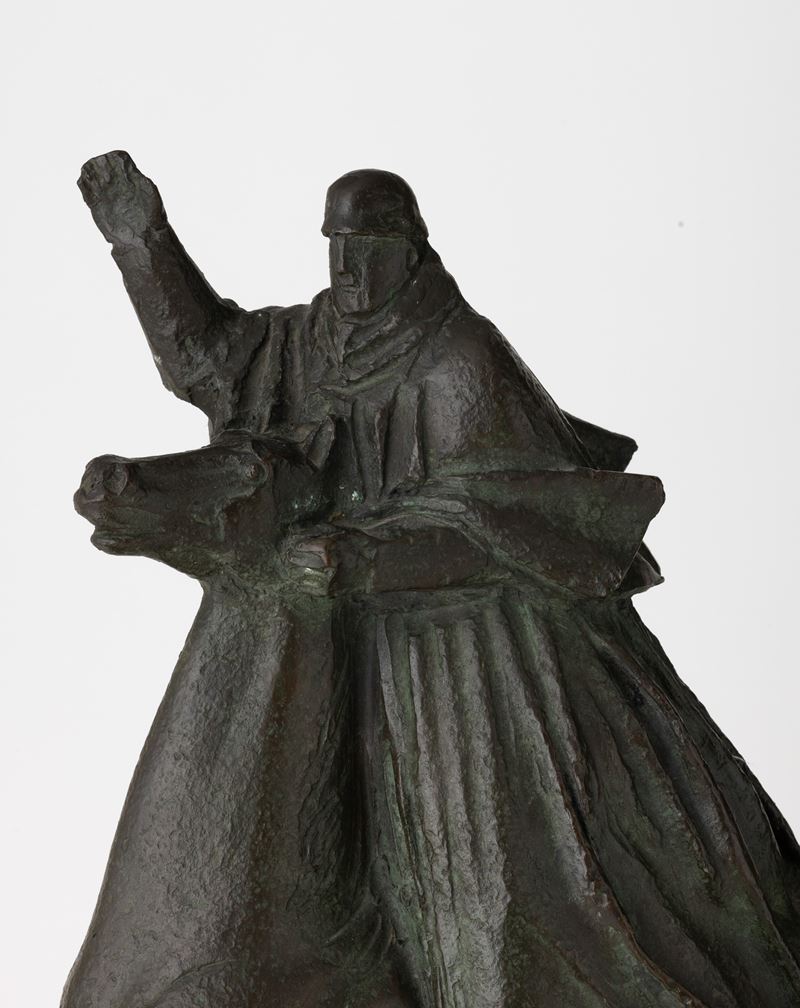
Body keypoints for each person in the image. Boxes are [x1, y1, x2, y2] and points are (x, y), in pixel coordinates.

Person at [63, 152, 800, 1008]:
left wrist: (372, 559)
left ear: (410, 251)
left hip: (460, 655)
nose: (347, 268)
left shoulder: (459, 357)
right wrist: (144, 245)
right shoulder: (311, 341)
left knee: (501, 887)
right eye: (336, 246)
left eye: (368, 248)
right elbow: (208, 362)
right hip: (334, 637)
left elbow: (495, 515)